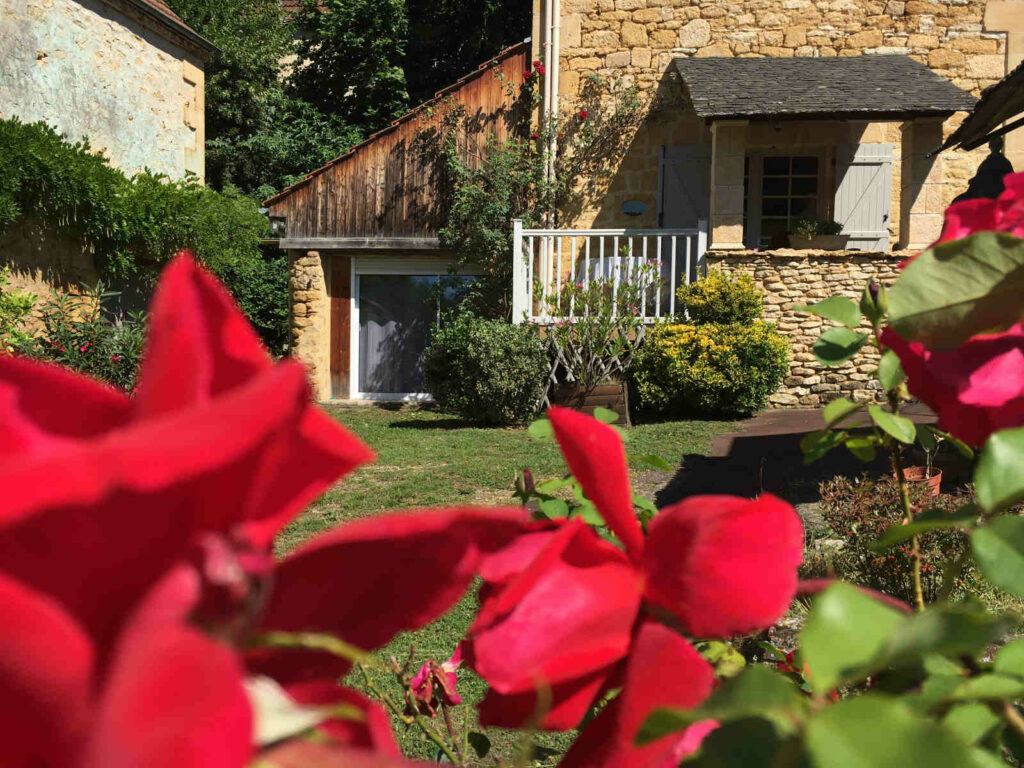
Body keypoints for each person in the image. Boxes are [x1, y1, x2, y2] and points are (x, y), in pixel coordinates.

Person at [953, 135, 1015, 202]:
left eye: (993, 144)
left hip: (991, 194)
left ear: (990, 147)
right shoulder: (1005, 162)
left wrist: (974, 181)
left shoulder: (989, 162)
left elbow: (981, 178)